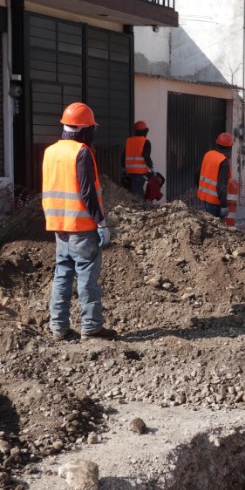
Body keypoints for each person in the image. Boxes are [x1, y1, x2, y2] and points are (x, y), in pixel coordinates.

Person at [41, 102, 117, 341]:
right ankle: (92, 326)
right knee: (87, 277)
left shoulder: (50, 151)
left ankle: (58, 327)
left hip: (58, 225)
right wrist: (101, 223)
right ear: (85, 129)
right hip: (82, 227)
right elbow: (87, 192)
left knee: (62, 275)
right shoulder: (81, 151)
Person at [197, 132, 233, 218]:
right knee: (216, 228)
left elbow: (197, 174)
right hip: (215, 202)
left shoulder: (208, 154)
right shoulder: (223, 161)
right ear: (229, 147)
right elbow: (222, 186)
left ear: (217, 144)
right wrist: (224, 205)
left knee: (208, 225)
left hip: (204, 198)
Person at [122, 120, 154, 196]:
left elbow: (123, 156)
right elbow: (146, 156)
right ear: (145, 131)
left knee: (133, 192)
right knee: (137, 194)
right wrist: (151, 168)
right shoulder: (145, 142)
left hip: (129, 172)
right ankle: (139, 207)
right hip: (140, 173)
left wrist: (124, 168)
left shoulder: (129, 141)